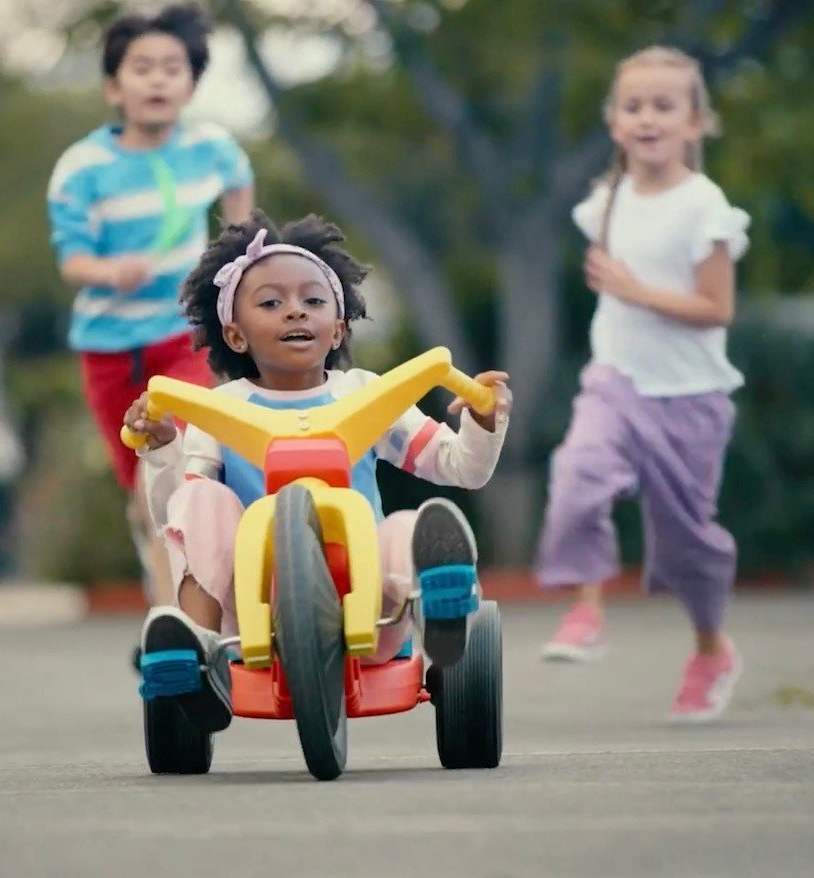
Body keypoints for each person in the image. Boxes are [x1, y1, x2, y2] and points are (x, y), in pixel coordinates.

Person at [124, 211, 512, 728]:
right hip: (254, 615)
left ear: (339, 327)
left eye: (313, 301)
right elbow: (177, 515)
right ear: (235, 335)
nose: (294, 313)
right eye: (271, 303)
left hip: (372, 611)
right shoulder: (218, 410)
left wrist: (483, 423)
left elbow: (460, 467)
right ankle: (197, 650)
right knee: (202, 501)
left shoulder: (367, 394)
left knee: (407, 528)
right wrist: (163, 449)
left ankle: (442, 614)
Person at [535, 47, 749, 724]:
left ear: (695, 122)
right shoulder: (606, 201)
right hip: (615, 383)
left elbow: (717, 308)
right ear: (613, 120)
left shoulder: (705, 206)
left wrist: (634, 290)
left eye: (664, 105)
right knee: (576, 479)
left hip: (690, 398)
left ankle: (711, 650)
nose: (647, 117)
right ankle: (586, 612)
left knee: (688, 544)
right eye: (633, 106)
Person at [46, 3, 254, 611]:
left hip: (179, 339)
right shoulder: (83, 168)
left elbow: (238, 178)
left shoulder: (210, 146)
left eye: (173, 67)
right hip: (107, 351)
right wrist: (109, 271)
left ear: (190, 84)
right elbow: (71, 262)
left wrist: (236, 243)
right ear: (114, 86)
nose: (159, 79)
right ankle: (161, 589)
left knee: (169, 468)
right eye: (142, 67)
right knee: (141, 493)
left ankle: (178, 624)